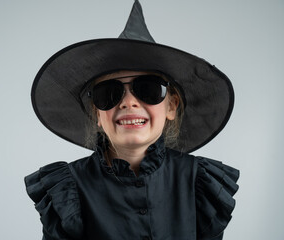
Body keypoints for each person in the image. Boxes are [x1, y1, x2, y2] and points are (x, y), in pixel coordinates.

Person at [24, 1, 239, 239]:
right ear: (97, 113)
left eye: (148, 89)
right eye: (109, 93)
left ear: (172, 106)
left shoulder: (198, 183)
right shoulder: (69, 191)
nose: (129, 102)